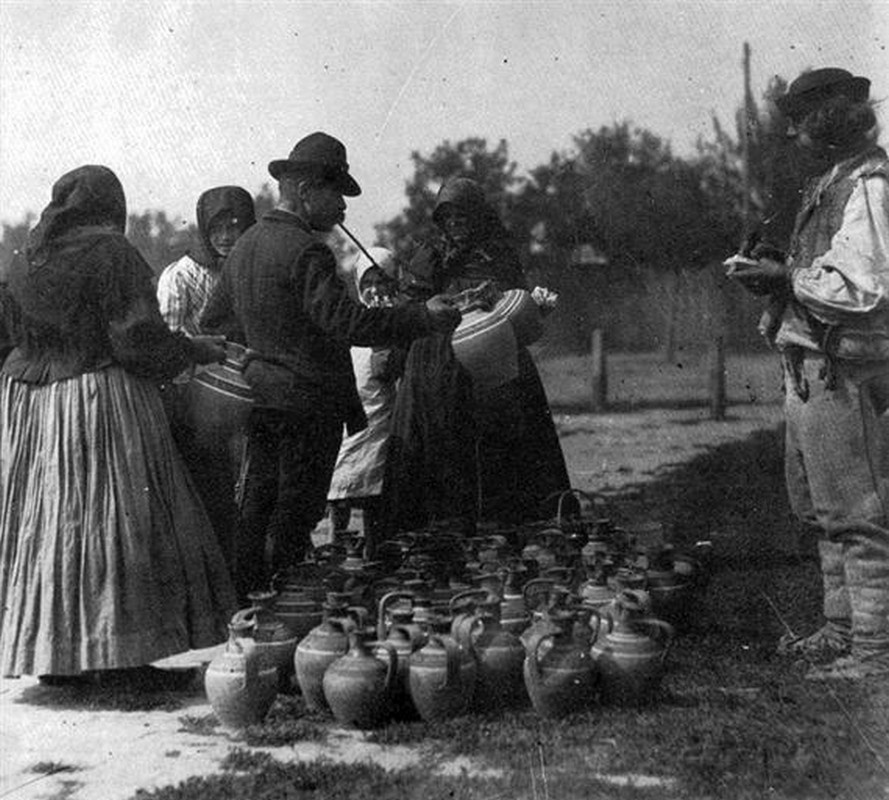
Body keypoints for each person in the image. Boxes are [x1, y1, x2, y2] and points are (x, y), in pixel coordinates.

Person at [0, 165, 236, 683]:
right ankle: (125, 659)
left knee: (52, 529)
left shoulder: (25, 259)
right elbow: (136, 340)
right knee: (118, 519)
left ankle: (58, 660)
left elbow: (11, 333)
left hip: (35, 410)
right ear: (112, 207)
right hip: (98, 403)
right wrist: (193, 349)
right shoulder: (112, 253)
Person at [200, 132, 460, 602]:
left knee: (257, 509)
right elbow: (345, 322)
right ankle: (290, 613)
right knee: (294, 519)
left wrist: (260, 357)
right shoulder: (307, 250)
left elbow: (214, 321)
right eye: (335, 193)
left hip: (262, 403)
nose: (341, 207)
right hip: (307, 407)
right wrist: (423, 316)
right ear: (305, 191)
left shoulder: (244, 246)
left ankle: (249, 616)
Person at [726, 67, 889, 680]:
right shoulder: (833, 182)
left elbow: (866, 288)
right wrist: (781, 265)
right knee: (822, 512)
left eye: (797, 119)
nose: (790, 132)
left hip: (842, 368)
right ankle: (842, 629)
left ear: (824, 122)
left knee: (858, 515)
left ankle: (874, 652)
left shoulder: (869, 186)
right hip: (810, 365)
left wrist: (785, 279)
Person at [383, 177, 572, 532]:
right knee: (445, 450)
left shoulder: (499, 254)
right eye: (448, 217)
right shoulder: (429, 256)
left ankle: (505, 529)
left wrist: (533, 309)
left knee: (504, 448)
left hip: (495, 360)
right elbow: (409, 310)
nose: (455, 224)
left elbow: (517, 303)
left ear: (479, 216)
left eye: (463, 216)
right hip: (439, 364)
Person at [156, 186, 257, 568]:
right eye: (218, 229)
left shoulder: (247, 269)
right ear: (204, 229)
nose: (227, 237)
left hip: (243, 394)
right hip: (198, 403)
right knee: (205, 494)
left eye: (236, 227)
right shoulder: (181, 275)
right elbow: (171, 341)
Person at [326, 247, 403, 556]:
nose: (374, 290)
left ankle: (374, 550)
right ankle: (333, 546)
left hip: (383, 418)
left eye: (382, 282)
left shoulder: (400, 320)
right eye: (368, 283)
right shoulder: (353, 321)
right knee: (340, 488)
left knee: (376, 489)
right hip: (354, 414)